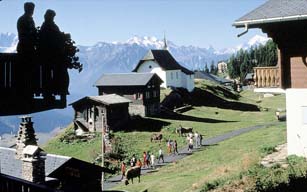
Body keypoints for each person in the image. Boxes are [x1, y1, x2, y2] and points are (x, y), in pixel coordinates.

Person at [38, 9, 68, 98]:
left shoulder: (46, 26)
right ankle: (50, 92)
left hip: (49, 55)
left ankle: (50, 92)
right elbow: (54, 37)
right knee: (49, 74)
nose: (52, 18)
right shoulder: (48, 26)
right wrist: (64, 36)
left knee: (48, 74)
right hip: (51, 55)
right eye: (52, 16)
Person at [17, 2, 37, 97]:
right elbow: (27, 35)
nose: (32, 11)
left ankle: (26, 90)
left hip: (25, 49)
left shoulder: (24, 19)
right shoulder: (25, 20)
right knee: (27, 71)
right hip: (26, 49)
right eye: (31, 9)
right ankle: (27, 90)